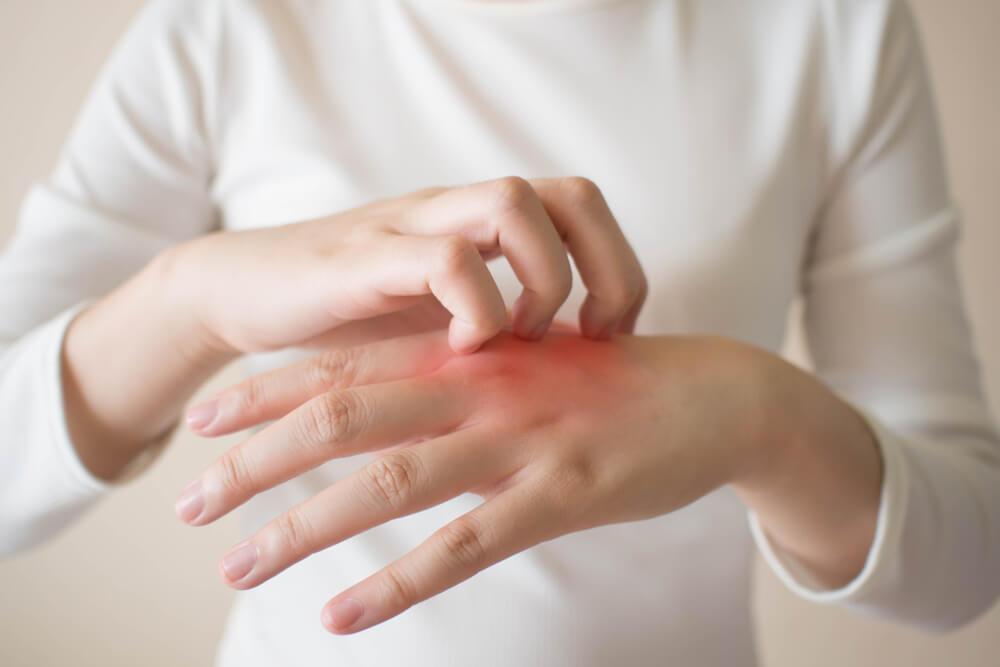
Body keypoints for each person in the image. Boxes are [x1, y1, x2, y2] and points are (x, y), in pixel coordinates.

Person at [1, 0, 997, 665]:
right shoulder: (228, 25)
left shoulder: (829, 25)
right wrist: (188, 302)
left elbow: (969, 560)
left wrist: (761, 415)